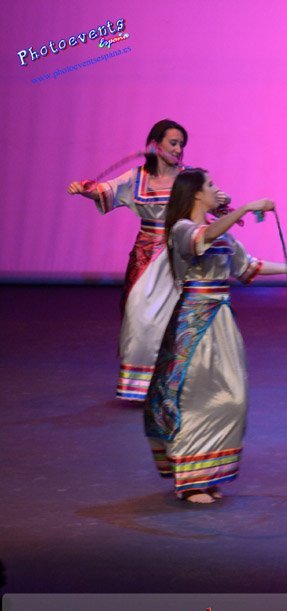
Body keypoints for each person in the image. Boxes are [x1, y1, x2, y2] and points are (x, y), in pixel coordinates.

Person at [144, 169, 287, 504]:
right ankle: (191, 482)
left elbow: (247, 266)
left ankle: (206, 473)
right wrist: (246, 208)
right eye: (210, 185)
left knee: (233, 398)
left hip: (221, 320)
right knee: (195, 398)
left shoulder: (221, 234)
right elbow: (202, 237)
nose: (217, 190)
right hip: (194, 322)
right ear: (196, 193)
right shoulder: (182, 229)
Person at [67, 120, 229, 401]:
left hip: (181, 255)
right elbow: (105, 190)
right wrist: (84, 188)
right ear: (155, 145)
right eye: (173, 143)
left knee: (178, 319)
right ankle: (140, 385)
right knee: (139, 316)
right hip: (147, 257)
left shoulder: (188, 178)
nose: (178, 149)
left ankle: (178, 382)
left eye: (181, 145)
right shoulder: (136, 177)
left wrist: (223, 201)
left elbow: (215, 202)